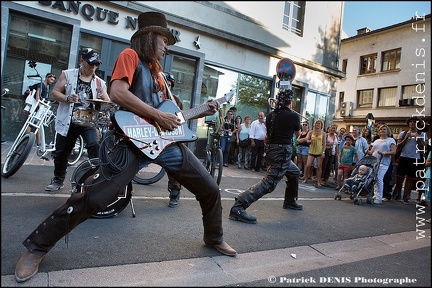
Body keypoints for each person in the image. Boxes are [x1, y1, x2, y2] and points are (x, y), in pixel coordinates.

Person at [15, 12, 236, 284]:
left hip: (162, 144)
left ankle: (214, 237)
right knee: (95, 199)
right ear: (149, 37)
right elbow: (118, 93)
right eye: (163, 39)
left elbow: (173, 117)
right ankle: (36, 247)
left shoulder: (160, 76)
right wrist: (156, 114)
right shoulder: (130, 56)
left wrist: (204, 110)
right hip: (129, 142)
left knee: (210, 189)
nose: (167, 45)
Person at [228, 88, 302, 224]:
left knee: (294, 172)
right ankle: (239, 206)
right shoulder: (293, 116)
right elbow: (298, 134)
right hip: (283, 152)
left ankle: (290, 201)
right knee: (269, 183)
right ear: (290, 101)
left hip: (272, 150)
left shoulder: (270, 115)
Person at [43, 48, 110, 192]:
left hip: (88, 121)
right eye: (90, 64)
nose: (93, 68)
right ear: (82, 61)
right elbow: (55, 92)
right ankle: (58, 180)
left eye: (96, 65)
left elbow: (107, 100)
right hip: (69, 120)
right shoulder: (67, 75)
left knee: (94, 144)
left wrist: (101, 102)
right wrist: (67, 98)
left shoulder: (99, 82)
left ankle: (93, 179)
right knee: (62, 153)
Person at [393, 117, 427, 204]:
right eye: (411, 122)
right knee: (399, 177)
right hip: (403, 157)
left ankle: (406, 196)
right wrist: (405, 138)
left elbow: (424, 149)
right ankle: (398, 194)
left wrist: (418, 138)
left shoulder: (422, 134)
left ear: (417, 124)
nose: (412, 123)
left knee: (410, 178)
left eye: (414, 122)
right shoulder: (403, 133)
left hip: (415, 158)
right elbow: (398, 146)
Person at [163, 72, 182, 207]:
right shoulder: (154, 96)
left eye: (169, 85)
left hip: (169, 137)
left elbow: (180, 121)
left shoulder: (176, 101)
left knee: (174, 166)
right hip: (150, 136)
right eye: (165, 84)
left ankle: (175, 191)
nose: (167, 86)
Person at [23, 72, 57, 145]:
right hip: (35, 108)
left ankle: (39, 142)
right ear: (47, 77)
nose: (52, 81)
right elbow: (37, 97)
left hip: (38, 108)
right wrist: (41, 107)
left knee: (38, 124)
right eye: (51, 79)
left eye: (53, 80)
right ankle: (25, 141)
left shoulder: (45, 87)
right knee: (31, 124)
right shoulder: (41, 85)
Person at [368, 124, 396, 204]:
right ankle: (375, 195)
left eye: (384, 129)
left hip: (384, 162)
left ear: (387, 131)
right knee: (375, 178)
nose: (382, 131)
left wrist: (384, 153)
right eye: (380, 129)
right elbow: (372, 151)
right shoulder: (376, 141)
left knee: (379, 178)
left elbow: (394, 151)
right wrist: (367, 151)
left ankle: (379, 197)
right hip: (374, 161)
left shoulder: (390, 140)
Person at [303, 119, 326, 188]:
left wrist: (323, 152)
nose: (317, 125)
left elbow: (324, 143)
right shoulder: (311, 132)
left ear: (321, 125)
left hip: (319, 151)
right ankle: (306, 178)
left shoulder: (323, 133)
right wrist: (309, 141)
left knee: (319, 167)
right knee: (308, 165)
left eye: (319, 124)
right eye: (316, 123)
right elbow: (307, 139)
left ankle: (318, 181)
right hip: (312, 150)